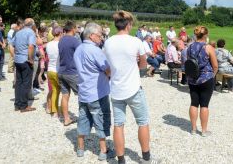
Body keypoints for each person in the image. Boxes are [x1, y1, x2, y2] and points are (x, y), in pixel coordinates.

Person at [104, 10, 159, 164]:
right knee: (142, 122)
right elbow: (143, 65)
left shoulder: (108, 42)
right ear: (128, 25)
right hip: (133, 88)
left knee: (119, 124)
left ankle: (121, 160)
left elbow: (108, 67)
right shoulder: (136, 42)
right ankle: (146, 157)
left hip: (116, 89)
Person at [74, 23, 115, 160]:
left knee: (83, 119)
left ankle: (80, 148)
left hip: (83, 91)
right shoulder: (95, 50)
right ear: (91, 36)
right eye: (99, 35)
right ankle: (103, 151)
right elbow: (107, 69)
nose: (101, 38)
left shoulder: (78, 49)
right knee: (101, 120)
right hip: (97, 92)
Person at [187, 26, 218, 137]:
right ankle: (204, 131)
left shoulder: (190, 47)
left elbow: (189, 62)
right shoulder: (208, 47)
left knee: (194, 103)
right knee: (204, 105)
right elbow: (215, 65)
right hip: (206, 78)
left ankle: (193, 129)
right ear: (206, 35)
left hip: (192, 79)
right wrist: (212, 76)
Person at [58, 20, 81, 126]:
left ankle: (66, 118)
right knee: (83, 94)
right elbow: (82, 54)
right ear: (72, 29)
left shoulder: (61, 40)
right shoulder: (74, 40)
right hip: (72, 72)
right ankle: (85, 118)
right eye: (76, 28)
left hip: (61, 71)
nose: (77, 30)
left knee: (65, 95)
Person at [12, 18, 37, 112]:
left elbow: (12, 45)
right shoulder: (31, 32)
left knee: (19, 83)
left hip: (18, 60)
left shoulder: (18, 32)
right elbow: (31, 46)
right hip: (25, 60)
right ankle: (24, 105)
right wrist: (30, 59)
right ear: (32, 24)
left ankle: (17, 104)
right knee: (26, 83)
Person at [45, 26, 62, 117]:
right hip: (57, 70)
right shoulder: (60, 44)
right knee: (62, 92)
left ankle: (54, 111)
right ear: (59, 33)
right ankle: (58, 111)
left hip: (49, 70)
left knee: (54, 91)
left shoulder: (48, 44)